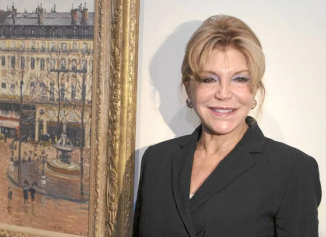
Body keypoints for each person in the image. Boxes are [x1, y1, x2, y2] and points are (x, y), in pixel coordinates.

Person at [133, 15, 321, 237]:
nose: (223, 94)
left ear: (254, 90)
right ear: (189, 89)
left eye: (239, 79)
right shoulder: (156, 160)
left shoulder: (293, 170)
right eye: (209, 79)